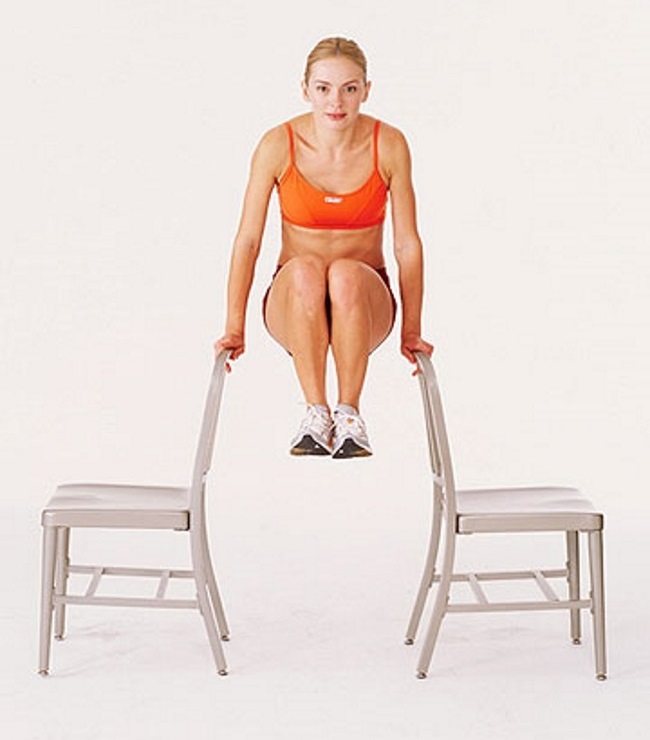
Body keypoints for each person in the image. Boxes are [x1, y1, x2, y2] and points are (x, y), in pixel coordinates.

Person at [214, 36, 433, 459]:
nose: (336, 101)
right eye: (324, 88)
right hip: (294, 297)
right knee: (307, 268)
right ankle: (316, 412)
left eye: (349, 88)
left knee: (345, 272)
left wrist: (412, 330)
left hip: (365, 299)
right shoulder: (277, 144)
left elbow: (407, 244)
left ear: (366, 90)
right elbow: (248, 239)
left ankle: (349, 414)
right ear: (305, 90)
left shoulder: (388, 144)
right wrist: (234, 326)